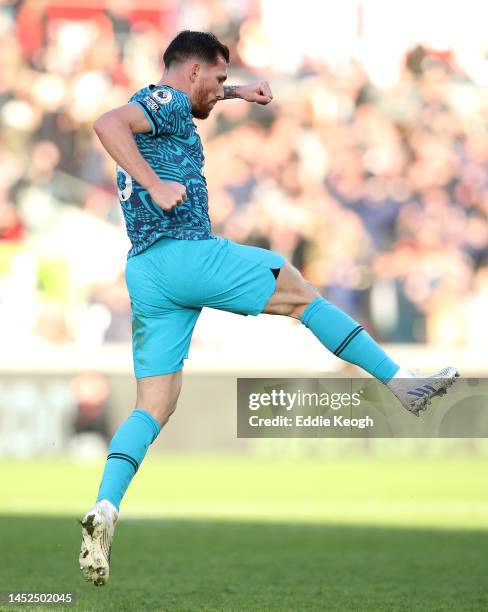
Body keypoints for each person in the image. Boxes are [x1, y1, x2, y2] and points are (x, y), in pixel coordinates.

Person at [79, 31, 458, 587]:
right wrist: (157, 184)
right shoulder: (160, 101)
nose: (221, 90)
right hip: (186, 255)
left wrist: (240, 94)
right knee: (298, 289)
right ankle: (402, 384)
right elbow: (108, 123)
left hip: (147, 273)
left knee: (154, 405)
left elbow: (183, 104)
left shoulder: (174, 102)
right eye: (219, 80)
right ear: (191, 74)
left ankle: (105, 509)